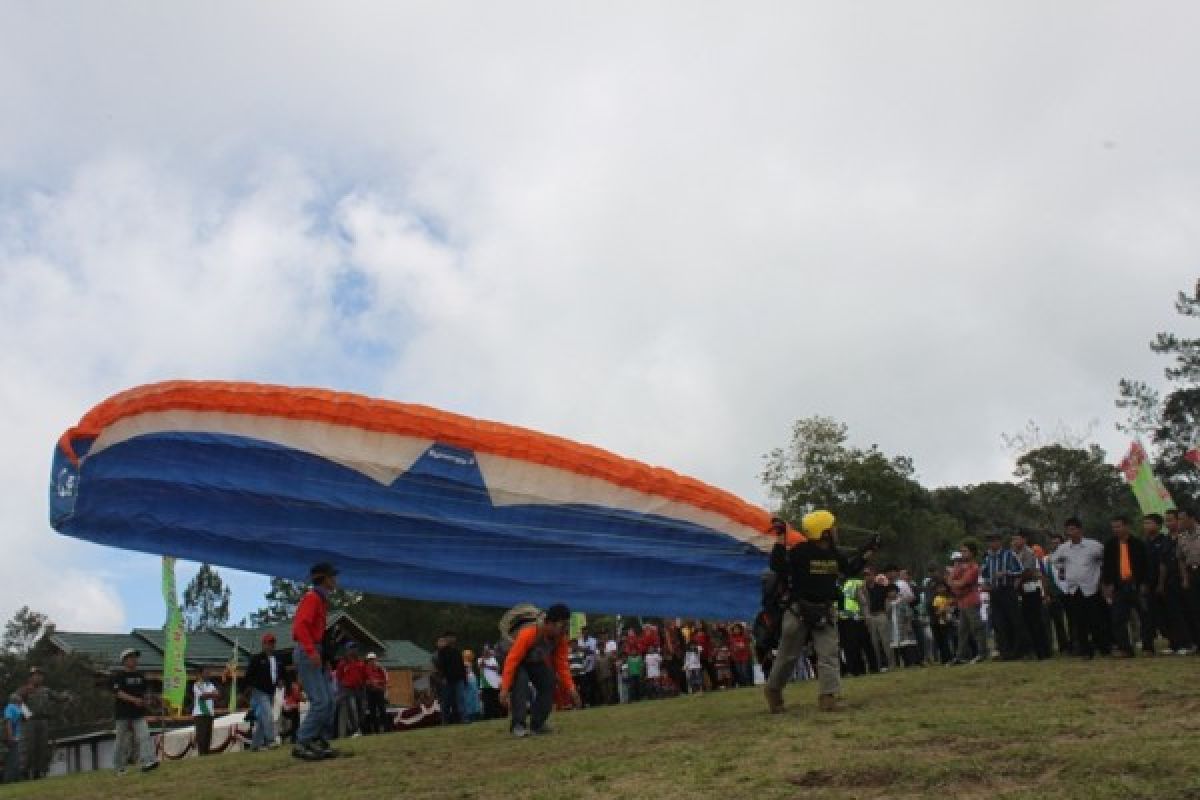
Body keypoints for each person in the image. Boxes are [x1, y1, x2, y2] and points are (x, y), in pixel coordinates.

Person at [764, 510, 877, 713]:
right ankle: (773, 691)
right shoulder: (799, 552)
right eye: (832, 527)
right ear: (824, 532)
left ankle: (828, 697)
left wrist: (868, 551)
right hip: (798, 610)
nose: (835, 530)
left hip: (824, 610)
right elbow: (777, 565)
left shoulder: (835, 553)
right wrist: (781, 538)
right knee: (787, 656)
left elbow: (850, 569)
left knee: (829, 654)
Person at [499, 603, 581, 736]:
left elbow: (562, 665)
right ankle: (518, 725)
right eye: (562, 625)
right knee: (521, 681)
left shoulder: (560, 638)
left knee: (549, 680)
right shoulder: (530, 632)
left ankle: (538, 724)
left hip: (533, 660)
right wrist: (504, 689)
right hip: (512, 657)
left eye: (567, 625)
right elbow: (512, 661)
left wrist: (571, 689)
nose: (565, 629)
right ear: (550, 623)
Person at [291, 562, 340, 761]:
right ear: (325, 579)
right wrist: (311, 651)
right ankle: (302, 742)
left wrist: (325, 657)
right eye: (332, 576)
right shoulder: (312, 599)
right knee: (320, 701)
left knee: (328, 700)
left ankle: (318, 740)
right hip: (307, 650)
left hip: (314, 651)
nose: (335, 580)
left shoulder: (320, 600)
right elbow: (300, 628)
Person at [1050, 519, 1107, 659]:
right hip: (1074, 589)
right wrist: (1062, 569)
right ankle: (1085, 650)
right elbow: (1054, 560)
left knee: (1096, 620)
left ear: (1080, 530)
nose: (1071, 533)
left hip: (1091, 587)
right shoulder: (1063, 548)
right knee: (1079, 621)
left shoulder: (1093, 545)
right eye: (1068, 530)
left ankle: (1103, 647)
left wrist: (1100, 576)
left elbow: (1104, 560)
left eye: (1073, 529)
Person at [1101, 514, 1151, 657]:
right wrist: (1107, 585)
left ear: (1127, 526)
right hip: (1119, 586)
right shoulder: (1110, 545)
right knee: (1118, 619)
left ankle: (1148, 647)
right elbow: (1107, 567)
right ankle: (1125, 649)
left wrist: (1145, 583)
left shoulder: (1138, 544)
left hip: (1136, 585)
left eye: (1118, 526)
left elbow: (1146, 565)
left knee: (1145, 616)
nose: (1115, 529)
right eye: (1113, 527)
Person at [111, 648, 159, 774]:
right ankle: (118, 767)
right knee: (121, 740)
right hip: (123, 713)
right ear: (124, 661)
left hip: (138, 713)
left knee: (144, 736)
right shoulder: (118, 676)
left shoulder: (140, 676)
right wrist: (134, 700)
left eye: (135, 657)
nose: (134, 659)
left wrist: (148, 700)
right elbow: (118, 693)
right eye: (131, 657)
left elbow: (145, 692)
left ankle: (148, 761)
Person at [980, 532, 1026, 659]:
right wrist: (986, 584)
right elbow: (984, 573)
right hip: (994, 592)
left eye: (993, 541)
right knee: (999, 623)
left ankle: (1018, 651)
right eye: (989, 541)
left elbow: (1021, 570)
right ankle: (1004, 652)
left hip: (1007, 590)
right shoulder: (987, 558)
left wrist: (1006, 572)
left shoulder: (1009, 554)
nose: (991, 544)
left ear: (999, 542)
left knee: (1014, 621)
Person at [19, 666, 67, 779]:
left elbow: (59, 698)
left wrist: (66, 696)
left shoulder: (46, 690)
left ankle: (38, 772)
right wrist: (26, 714)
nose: (39, 678)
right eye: (36, 676)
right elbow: (14, 700)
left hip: (43, 721)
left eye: (41, 676)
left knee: (42, 748)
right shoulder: (24, 689)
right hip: (30, 722)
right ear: (30, 677)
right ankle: (24, 773)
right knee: (29, 748)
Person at [1011, 530, 1051, 659]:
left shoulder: (1028, 553)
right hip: (1022, 590)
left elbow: (1027, 571)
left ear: (1024, 539)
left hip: (1031, 589)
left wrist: (1016, 579)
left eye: (1017, 539)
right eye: (1013, 539)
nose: (1015, 542)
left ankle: (1043, 651)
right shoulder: (1013, 554)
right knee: (1027, 621)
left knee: (1036, 621)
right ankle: (1032, 649)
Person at [948, 545, 987, 664]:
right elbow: (950, 580)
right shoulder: (959, 567)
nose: (962, 553)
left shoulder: (974, 567)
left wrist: (955, 583)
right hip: (962, 602)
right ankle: (961, 656)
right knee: (962, 631)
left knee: (977, 628)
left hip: (971, 600)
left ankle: (982, 653)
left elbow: (964, 582)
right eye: (961, 551)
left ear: (972, 553)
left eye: (965, 551)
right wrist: (956, 583)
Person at [244, 633, 281, 750]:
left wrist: (281, 681)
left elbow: (281, 673)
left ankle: (255, 744)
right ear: (263, 644)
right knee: (268, 714)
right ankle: (270, 740)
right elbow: (248, 675)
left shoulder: (277, 658)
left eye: (273, 643)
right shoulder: (257, 658)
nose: (271, 645)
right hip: (259, 690)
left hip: (271, 691)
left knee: (262, 718)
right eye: (269, 643)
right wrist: (247, 688)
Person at [863, 567, 892, 672]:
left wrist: (886, 614)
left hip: (881, 615)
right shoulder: (863, 589)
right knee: (874, 642)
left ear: (873, 575)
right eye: (865, 575)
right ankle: (878, 666)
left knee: (886, 641)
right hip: (870, 616)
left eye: (869, 574)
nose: (867, 577)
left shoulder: (881, 587)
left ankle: (891, 664)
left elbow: (887, 601)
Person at [435, 633, 467, 725]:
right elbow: (440, 666)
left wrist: (464, 679)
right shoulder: (442, 652)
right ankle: (445, 720)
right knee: (446, 701)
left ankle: (463, 718)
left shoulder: (457, 651)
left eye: (453, 637)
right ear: (446, 639)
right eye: (449, 637)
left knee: (461, 699)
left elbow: (461, 666)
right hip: (447, 680)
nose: (452, 639)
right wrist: (443, 677)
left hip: (459, 679)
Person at [335, 643, 366, 737]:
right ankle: (355, 730)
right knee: (353, 709)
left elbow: (364, 675)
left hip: (360, 689)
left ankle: (359, 729)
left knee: (362, 710)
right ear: (347, 650)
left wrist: (363, 683)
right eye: (351, 648)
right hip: (348, 690)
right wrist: (342, 690)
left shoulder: (360, 662)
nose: (353, 650)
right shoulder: (342, 663)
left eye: (355, 648)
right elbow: (339, 677)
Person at [886, 584, 919, 667]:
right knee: (896, 646)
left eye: (893, 591)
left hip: (903, 625)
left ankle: (910, 662)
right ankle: (899, 664)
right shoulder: (887, 603)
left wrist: (908, 624)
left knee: (907, 645)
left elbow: (908, 613)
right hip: (893, 626)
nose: (891, 593)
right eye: (889, 592)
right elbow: (887, 614)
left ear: (896, 592)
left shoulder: (902, 601)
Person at [191, 671, 220, 756]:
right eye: (206, 673)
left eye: (209, 673)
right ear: (201, 675)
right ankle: (201, 754)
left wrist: (209, 694)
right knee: (201, 735)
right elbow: (202, 696)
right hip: (199, 713)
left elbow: (217, 695)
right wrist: (212, 694)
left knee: (208, 735)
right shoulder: (197, 685)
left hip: (209, 713)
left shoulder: (211, 685)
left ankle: (206, 754)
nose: (208, 675)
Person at [363, 653, 390, 732]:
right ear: (368, 661)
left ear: (375, 659)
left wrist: (377, 682)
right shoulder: (365, 669)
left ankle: (386, 729)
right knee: (372, 711)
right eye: (370, 660)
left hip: (379, 692)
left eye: (373, 659)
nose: (372, 661)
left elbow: (386, 681)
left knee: (382, 710)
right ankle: (376, 730)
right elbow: (364, 681)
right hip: (370, 692)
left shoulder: (381, 669)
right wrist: (369, 683)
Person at [478, 647, 503, 718]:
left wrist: (487, 666)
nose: (486, 652)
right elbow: (480, 665)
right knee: (487, 701)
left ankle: (497, 715)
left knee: (495, 700)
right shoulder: (480, 659)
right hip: (485, 683)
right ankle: (488, 715)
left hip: (495, 683)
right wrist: (484, 659)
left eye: (487, 651)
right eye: (485, 651)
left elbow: (497, 668)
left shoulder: (494, 659)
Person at [4, 693, 23, 783]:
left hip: (16, 737)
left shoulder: (17, 707)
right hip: (12, 737)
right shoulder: (10, 707)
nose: (20, 697)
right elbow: (8, 723)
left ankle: (15, 779)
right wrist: (10, 737)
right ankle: (9, 780)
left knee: (15, 759)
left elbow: (27, 717)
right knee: (13, 759)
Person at [281, 676, 303, 744]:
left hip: (287, 707)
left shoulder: (288, 685)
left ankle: (285, 735)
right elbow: (297, 697)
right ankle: (292, 738)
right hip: (294, 707)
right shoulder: (295, 685)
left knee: (294, 725)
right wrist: (302, 699)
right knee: (296, 724)